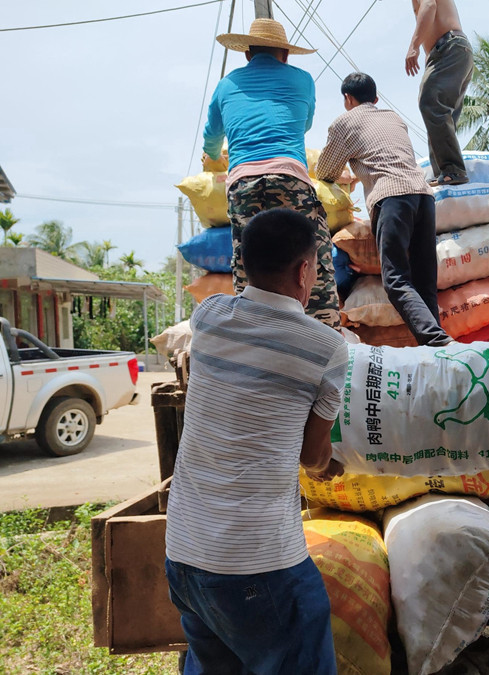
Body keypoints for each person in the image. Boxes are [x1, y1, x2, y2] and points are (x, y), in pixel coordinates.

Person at [165, 209, 348, 674]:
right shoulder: (326, 347)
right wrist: (328, 463)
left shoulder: (208, 316)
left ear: (242, 264)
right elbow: (312, 456)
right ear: (305, 270)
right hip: (259, 567)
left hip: (184, 556)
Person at [201, 18, 340, 330]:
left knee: (248, 263)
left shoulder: (227, 85)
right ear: (285, 55)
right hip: (291, 178)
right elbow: (303, 124)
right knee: (312, 258)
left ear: (247, 54)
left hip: (242, 185)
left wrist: (212, 158)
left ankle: (250, 335)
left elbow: (211, 137)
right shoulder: (303, 80)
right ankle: (327, 335)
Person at [317, 72, 452, 347]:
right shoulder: (394, 118)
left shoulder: (344, 122)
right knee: (425, 281)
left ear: (347, 99)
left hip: (391, 197)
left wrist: (348, 177)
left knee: (396, 281)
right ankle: (438, 346)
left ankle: (436, 340)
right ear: (376, 98)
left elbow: (325, 171)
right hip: (424, 197)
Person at [405, 0, 473, 187]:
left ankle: (453, 169)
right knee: (438, 113)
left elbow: (429, 6)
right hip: (449, 51)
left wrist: (414, 46)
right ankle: (444, 172)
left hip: (448, 47)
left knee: (431, 104)